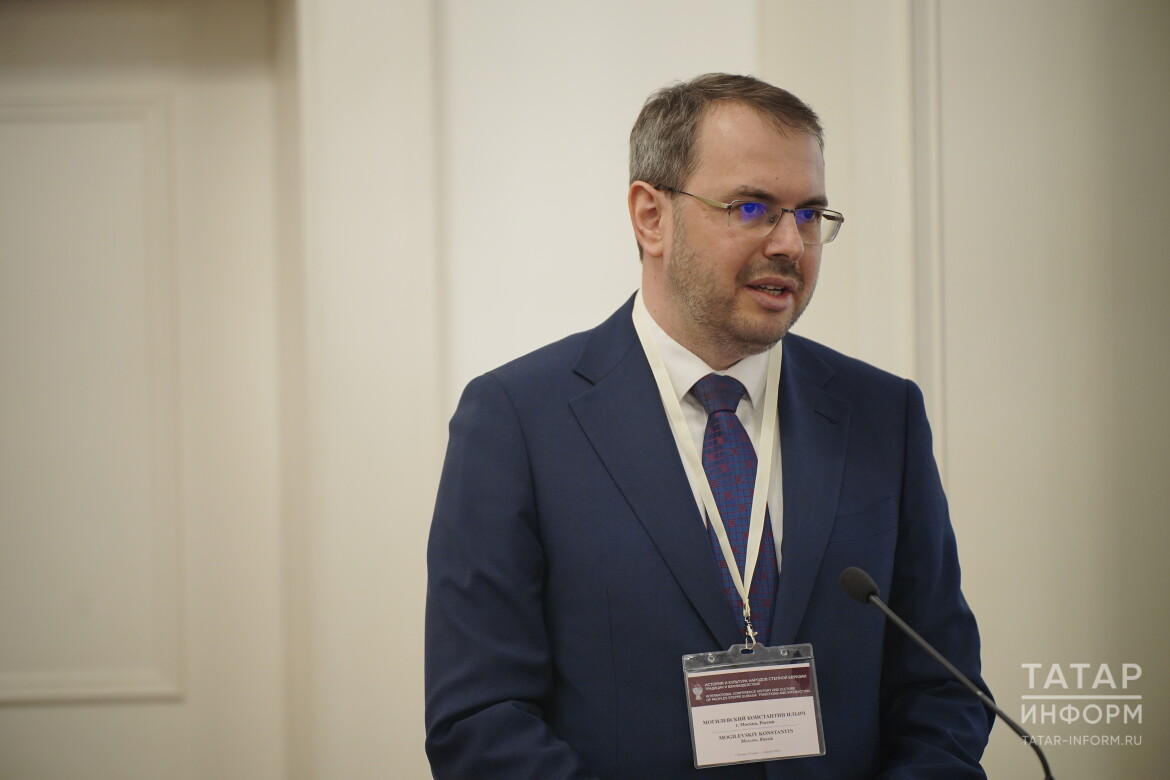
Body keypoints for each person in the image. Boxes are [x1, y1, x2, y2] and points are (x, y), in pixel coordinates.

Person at [425, 73, 993, 778]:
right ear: (651, 217)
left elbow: (946, 691)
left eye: (810, 214)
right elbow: (481, 720)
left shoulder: (883, 414)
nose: (791, 244)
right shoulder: (518, 421)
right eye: (752, 208)